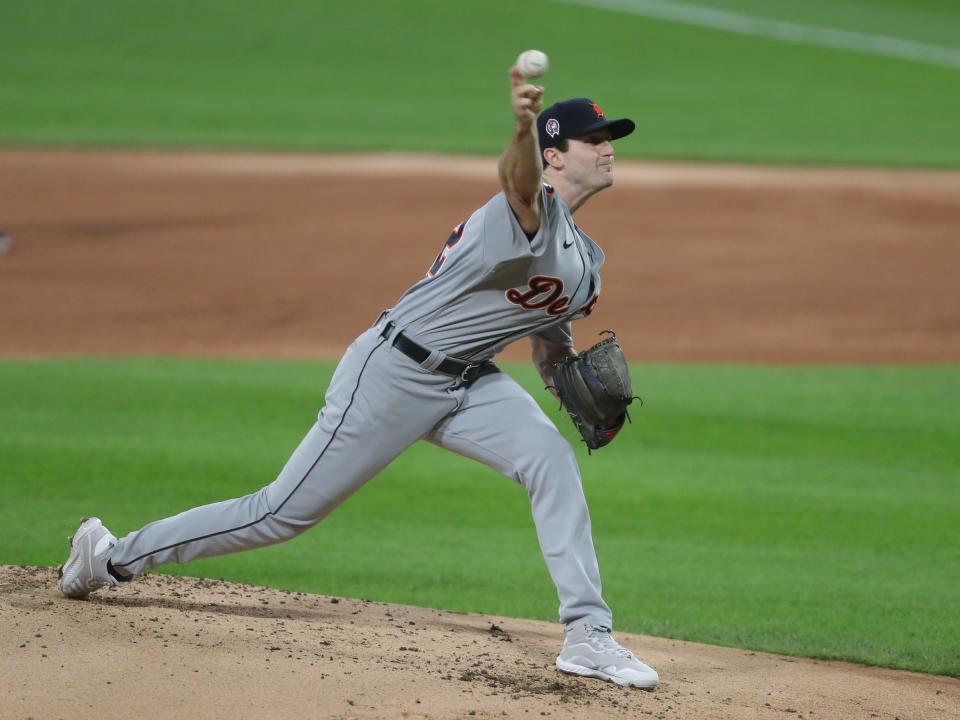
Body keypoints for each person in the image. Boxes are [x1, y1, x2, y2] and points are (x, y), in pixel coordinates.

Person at [57, 65, 660, 690]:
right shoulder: (525, 210)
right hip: (394, 371)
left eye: (611, 136)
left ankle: (588, 634)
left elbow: (549, 341)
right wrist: (520, 125)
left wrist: (570, 385)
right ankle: (112, 556)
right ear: (554, 157)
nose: (609, 147)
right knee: (281, 513)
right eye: (593, 138)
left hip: (469, 383)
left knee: (550, 461)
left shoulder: (585, 262)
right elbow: (517, 181)